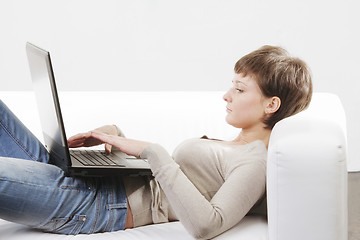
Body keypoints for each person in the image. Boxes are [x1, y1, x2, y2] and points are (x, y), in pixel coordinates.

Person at [0, 45, 312, 239]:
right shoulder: (233, 143)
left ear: (271, 105)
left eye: (240, 89)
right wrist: (116, 137)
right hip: (96, 184)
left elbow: (206, 225)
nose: (227, 95)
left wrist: (153, 152)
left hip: (96, 204)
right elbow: (171, 181)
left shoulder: (255, 161)